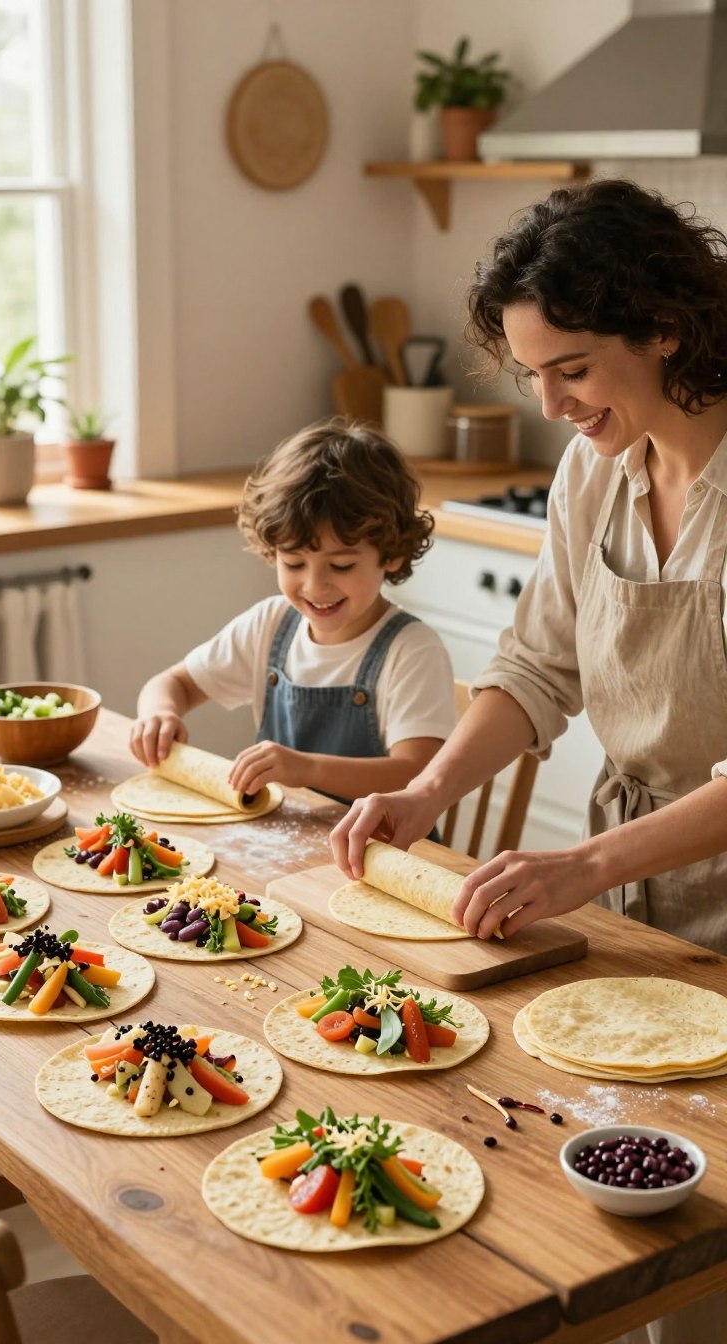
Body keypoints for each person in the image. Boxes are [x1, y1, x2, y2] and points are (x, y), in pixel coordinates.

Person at [330, 178, 727, 1344]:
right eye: (531, 373)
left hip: (674, 875)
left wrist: (581, 866)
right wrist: (427, 789)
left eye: (574, 369)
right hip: (643, 891)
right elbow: (538, 666)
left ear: (666, 327)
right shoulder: (596, 470)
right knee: (631, 1226)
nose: (550, 404)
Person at [131, 419, 456, 804]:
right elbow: (175, 684)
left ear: (392, 554)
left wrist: (308, 770)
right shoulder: (270, 624)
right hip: (284, 834)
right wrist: (159, 714)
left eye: (341, 566)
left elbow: (416, 774)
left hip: (383, 840)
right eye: (294, 564)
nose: (315, 586)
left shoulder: (413, 651)